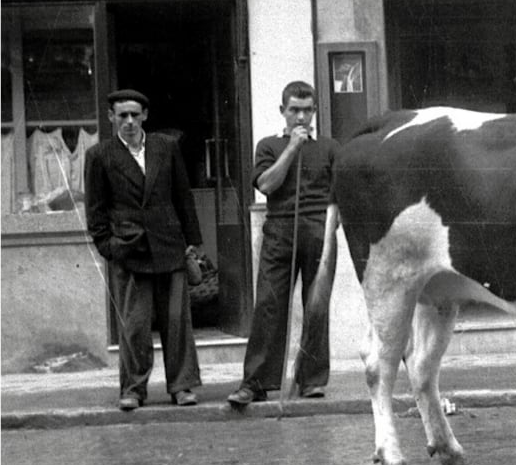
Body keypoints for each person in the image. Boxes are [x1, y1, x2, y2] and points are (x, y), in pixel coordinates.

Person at [83, 89, 204, 410]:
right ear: (111, 118)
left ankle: (182, 386)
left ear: (145, 116)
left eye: (135, 115)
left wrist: (191, 240)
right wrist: (109, 247)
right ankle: (134, 390)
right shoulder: (100, 156)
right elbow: (95, 211)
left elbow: (182, 195)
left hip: (169, 246)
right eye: (122, 115)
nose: (129, 121)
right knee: (135, 326)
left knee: (177, 322)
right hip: (130, 250)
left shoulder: (166, 147)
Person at [229, 81, 338, 407]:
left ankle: (312, 380)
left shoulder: (331, 148)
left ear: (315, 111)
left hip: (319, 231)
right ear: (283, 111)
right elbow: (266, 184)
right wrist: (291, 148)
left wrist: (329, 227)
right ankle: (256, 382)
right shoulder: (268, 145)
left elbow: (341, 196)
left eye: (307, 110)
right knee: (268, 305)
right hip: (279, 232)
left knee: (316, 307)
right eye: (294, 110)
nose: (301, 116)